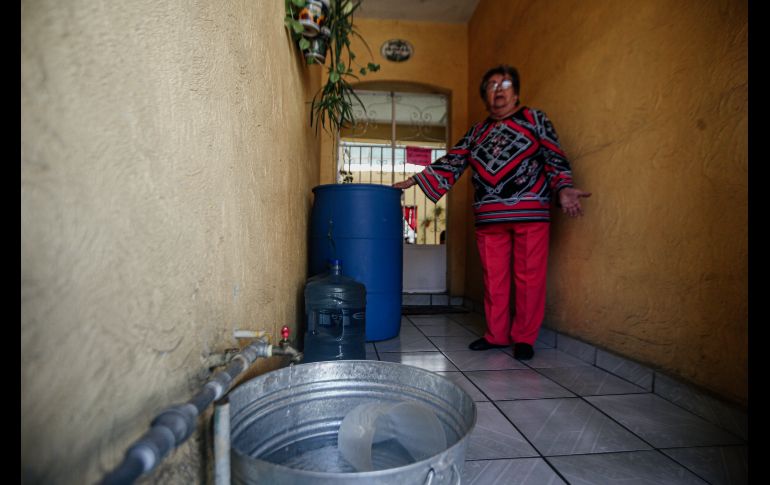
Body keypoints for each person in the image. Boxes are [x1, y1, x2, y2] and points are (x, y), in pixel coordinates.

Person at [393, 65, 591, 360]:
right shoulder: (477, 132)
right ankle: (497, 335)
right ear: (485, 96)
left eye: (505, 83)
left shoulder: (535, 120)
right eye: (491, 85)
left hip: (531, 213)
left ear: (516, 92)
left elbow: (554, 156)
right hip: (489, 217)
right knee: (494, 278)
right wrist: (414, 180)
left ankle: (524, 338)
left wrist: (563, 188)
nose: (498, 89)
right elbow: (453, 161)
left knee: (529, 277)